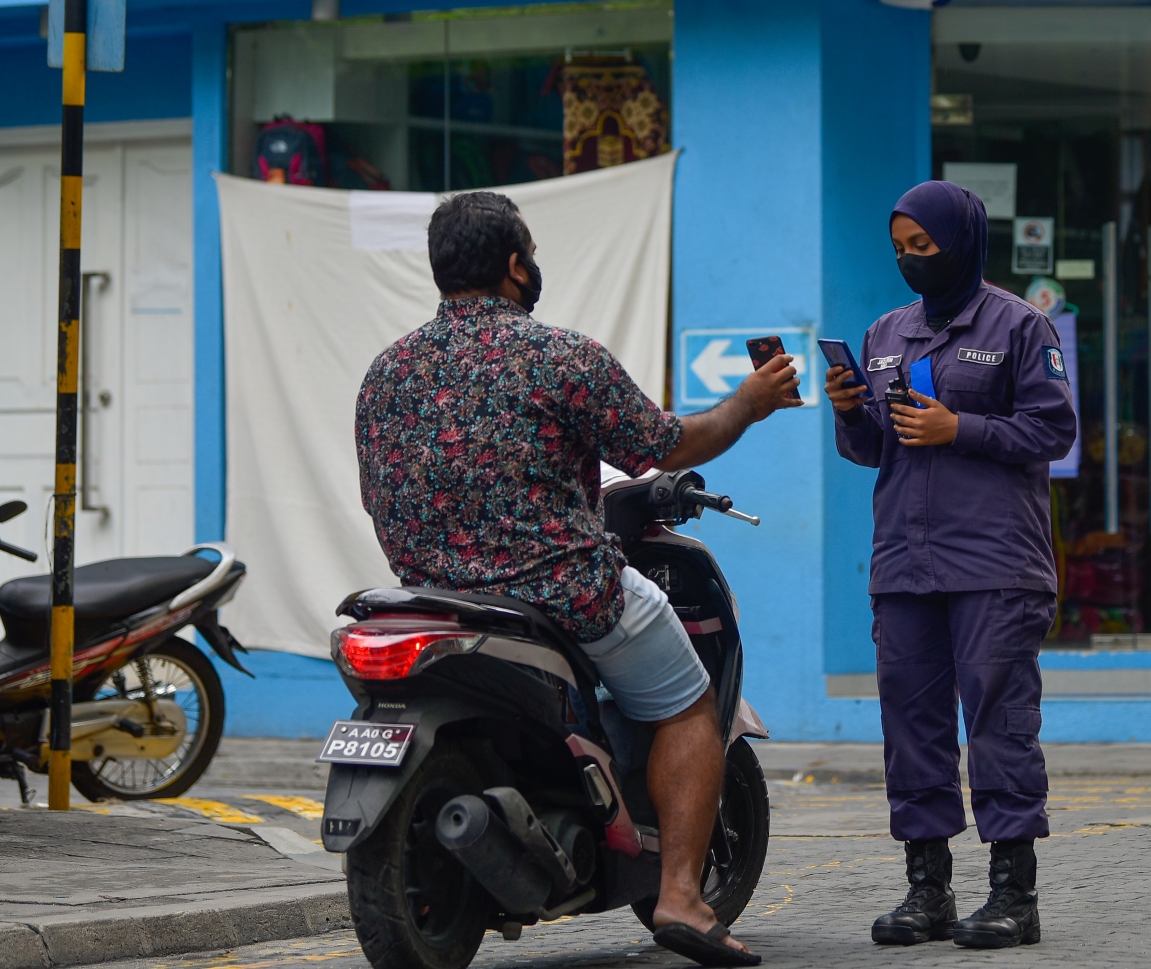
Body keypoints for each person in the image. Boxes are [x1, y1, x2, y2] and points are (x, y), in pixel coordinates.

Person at [356, 191, 801, 967]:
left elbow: (377, 492)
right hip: (562, 594)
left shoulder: (386, 372)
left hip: (435, 599)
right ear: (515, 264)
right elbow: (670, 442)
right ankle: (681, 897)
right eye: (530, 256)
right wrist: (749, 402)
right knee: (690, 697)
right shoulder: (559, 356)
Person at [826, 181, 1076, 950]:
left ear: (961, 241)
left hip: (995, 560)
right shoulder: (884, 333)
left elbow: (1053, 429)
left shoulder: (1021, 325)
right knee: (912, 725)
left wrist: (957, 426)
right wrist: (848, 407)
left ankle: (1013, 893)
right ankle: (927, 887)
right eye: (899, 248)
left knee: (999, 720)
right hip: (905, 563)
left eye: (923, 246)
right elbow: (874, 447)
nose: (909, 259)